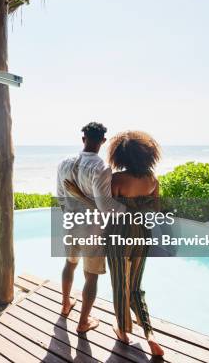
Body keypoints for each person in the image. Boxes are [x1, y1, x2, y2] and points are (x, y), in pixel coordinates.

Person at [64, 130, 165, 356]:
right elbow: (154, 210)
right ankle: (150, 334)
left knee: (120, 283)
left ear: (121, 156)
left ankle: (123, 330)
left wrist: (78, 194)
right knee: (136, 286)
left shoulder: (118, 179)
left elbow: (105, 207)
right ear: (147, 155)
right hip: (142, 233)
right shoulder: (152, 180)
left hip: (119, 234)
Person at [56, 122, 124, 333]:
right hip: (92, 230)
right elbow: (105, 207)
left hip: (70, 224)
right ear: (103, 141)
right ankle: (83, 322)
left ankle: (66, 304)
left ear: (83, 138)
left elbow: (59, 197)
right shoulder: (101, 168)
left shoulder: (64, 163)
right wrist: (126, 210)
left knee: (70, 264)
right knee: (91, 275)